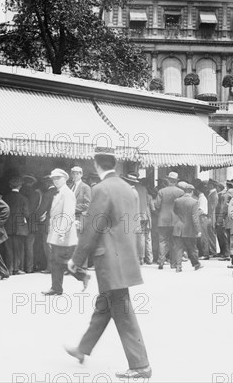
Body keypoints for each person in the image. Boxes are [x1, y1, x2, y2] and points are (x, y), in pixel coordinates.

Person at [65, 146, 151, 379]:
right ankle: (82, 349)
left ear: (96, 164)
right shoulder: (128, 188)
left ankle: (141, 365)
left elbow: (94, 227)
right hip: (125, 257)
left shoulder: (101, 189)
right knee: (105, 306)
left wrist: (76, 260)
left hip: (109, 259)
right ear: (115, 163)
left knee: (122, 311)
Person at [42, 168, 85, 295]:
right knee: (58, 261)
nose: (55, 181)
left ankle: (79, 277)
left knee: (59, 261)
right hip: (57, 231)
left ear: (65, 179)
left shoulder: (67, 193)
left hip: (63, 233)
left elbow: (67, 214)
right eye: (54, 178)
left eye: (58, 178)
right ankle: (57, 287)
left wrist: (61, 233)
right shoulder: (59, 192)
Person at [154, 171, 184, 270]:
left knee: (162, 241)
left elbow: (157, 205)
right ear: (176, 181)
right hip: (176, 220)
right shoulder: (180, 192)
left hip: (163, 219)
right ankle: (173, 263)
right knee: (174, 241)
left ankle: (161, 261)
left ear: (168, 180)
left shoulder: (161, 191)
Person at [173, 182, 203, 272]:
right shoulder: (194, 202)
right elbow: (195, 217)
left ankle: (178, 266)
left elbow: (175, 212)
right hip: (189, 228)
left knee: (178, 248)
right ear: (192, 192)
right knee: (192, 247)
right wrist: (198, 230)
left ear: (184, 191)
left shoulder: (177, 200)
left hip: (178, 227)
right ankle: (196, 264)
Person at [3, 176, 30, 275]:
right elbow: (26, 213)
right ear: (20, 186)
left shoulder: (5, 197)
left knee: (8, 249)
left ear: (10, 186)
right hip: (20, 227)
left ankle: (9, 269)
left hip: (7, 226)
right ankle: (16, 269)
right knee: (18, 249)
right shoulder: (24, 199)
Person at [20, 173, 42, 273]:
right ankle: (29, 268)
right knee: (30, 246)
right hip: (32, 222)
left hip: (20, 222)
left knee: (20, 245)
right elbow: (34, 209)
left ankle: (21, 267)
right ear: (32, 182)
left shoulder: (20, 191)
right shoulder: (36, 193)